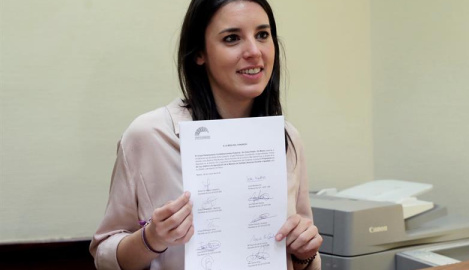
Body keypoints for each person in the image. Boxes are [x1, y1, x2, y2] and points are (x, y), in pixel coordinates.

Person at [89, 0, 323, 269]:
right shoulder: (149, 135)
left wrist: (305, 252)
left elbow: (304, 255)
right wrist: (151, 238)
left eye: (262, 35)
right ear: (200, 53)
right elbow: (104, 254)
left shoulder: (288, 139)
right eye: (232, 38)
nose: (254, 51)